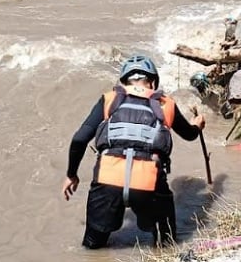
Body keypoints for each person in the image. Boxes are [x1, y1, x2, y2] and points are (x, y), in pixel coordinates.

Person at [63, 55, 205, 249]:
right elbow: (189, 135)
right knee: (167, 243)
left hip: (107, 182)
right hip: (149, 184)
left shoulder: (109, 99)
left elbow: (79, 139)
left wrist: (72, 175)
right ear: (153, 82)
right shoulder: (166, 104)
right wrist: (197, 126)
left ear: (124, 82)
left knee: (92, 247)